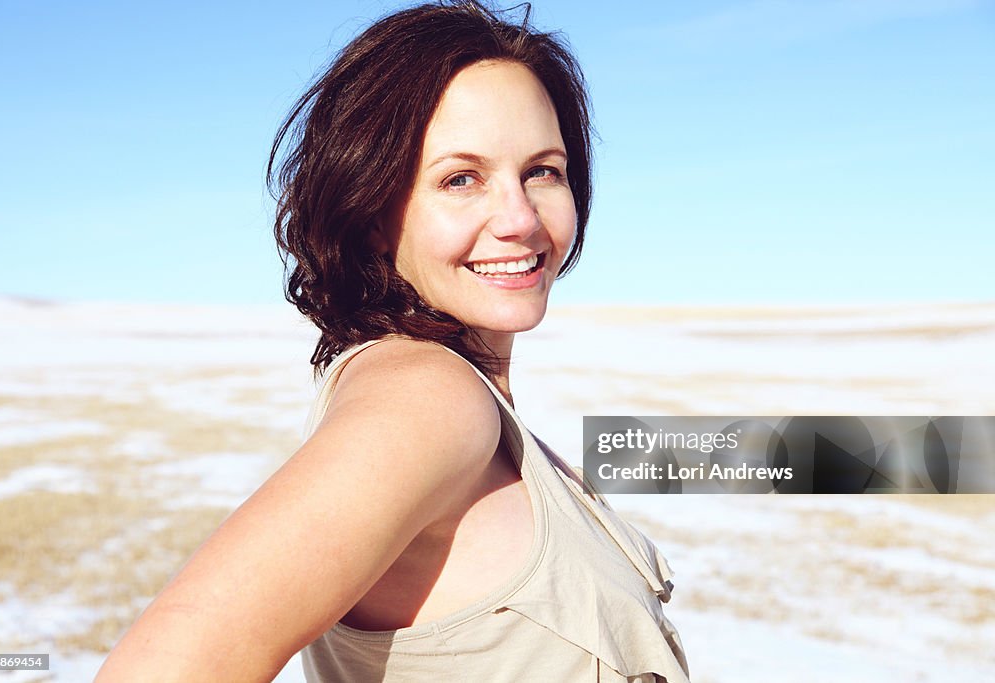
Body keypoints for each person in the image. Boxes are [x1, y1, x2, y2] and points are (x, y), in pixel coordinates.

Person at [97, 2, 689, 681]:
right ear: (373, 212)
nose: (520, 218)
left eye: (543, 170)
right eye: (459, 179)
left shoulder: (458, 396)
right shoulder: (428, 399)